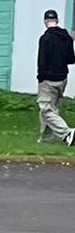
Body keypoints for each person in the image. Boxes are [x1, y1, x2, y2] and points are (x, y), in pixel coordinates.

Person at [36, 8, 75, 146]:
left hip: (48, 79)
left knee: (46, 109)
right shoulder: (66, 38)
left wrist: (40, 77)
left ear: (45, 22)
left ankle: (67, 133)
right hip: (62, 78)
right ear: (57, 21)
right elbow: (71, 59)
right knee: (52, 108)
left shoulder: (45, 38)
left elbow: (41, 61)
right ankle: (45, 139)